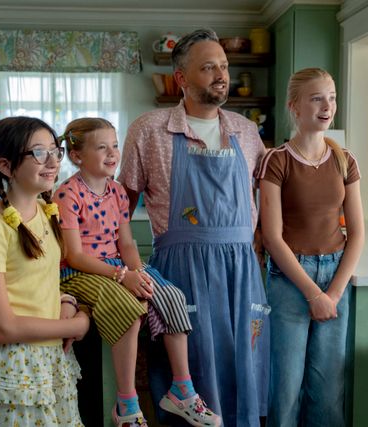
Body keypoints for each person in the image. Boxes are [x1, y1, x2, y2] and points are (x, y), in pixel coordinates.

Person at [118, 28, 270, 426]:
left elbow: (269, 199)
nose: (221, 75)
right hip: (181, 272)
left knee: (243, 367)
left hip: (242, 273)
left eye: (224, 66)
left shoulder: (246, 132)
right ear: (181, 78)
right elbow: (118, 210)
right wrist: (124, 270)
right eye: (208, 68)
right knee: (190, 375)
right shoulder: (149, 130)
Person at [53, 117, 221, 427]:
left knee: (171, 295)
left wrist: (137, 272)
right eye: (101, 148)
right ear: (77, 156)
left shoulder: (118, 193)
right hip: (80, 272)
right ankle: (127, 405)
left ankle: (182, 390)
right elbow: (74, 256)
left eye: (114, 146)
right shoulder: (67, 194)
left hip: (117, 265)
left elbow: (127, 243)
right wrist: (122, 277)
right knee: (129, 309)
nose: (112, 153)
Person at [0, 116, 90, 426]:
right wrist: (76, 325)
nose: (53, 161)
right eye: (39, 153)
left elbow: (33, 281)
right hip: (14, 368)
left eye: (55, 150)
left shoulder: (45, 212)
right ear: (6, 166)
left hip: (49, 362)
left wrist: (66, 301)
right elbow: (2, 327)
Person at [257, 68, 365, 426]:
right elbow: (272, 238)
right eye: (316, 98)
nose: (327, 106)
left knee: (329, 389)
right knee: (286, 388)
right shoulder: (277, 160)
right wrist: (313, 294)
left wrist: (332, 294)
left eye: (331, 98)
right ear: (295, 107)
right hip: (289, 281)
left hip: (336, 277)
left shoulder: (345, 160)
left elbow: (357, 234)